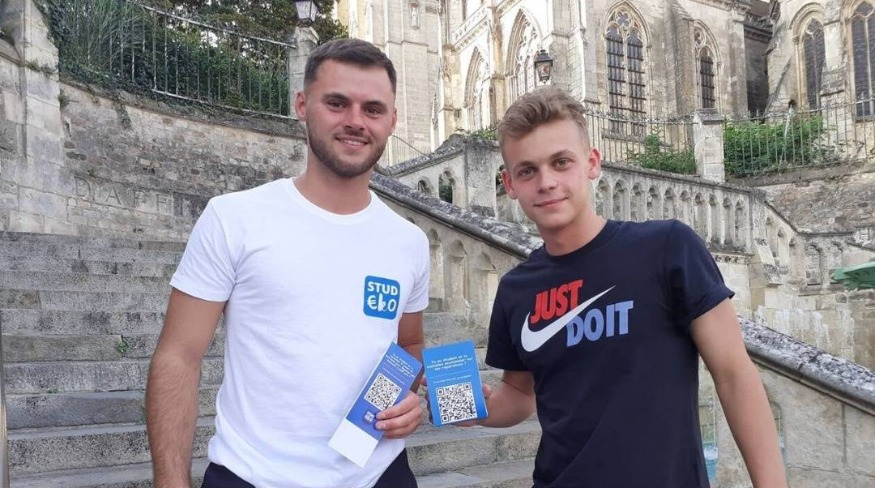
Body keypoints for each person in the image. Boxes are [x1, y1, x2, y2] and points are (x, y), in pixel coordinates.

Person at [145, 38, 429, 488]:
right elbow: (178, 358)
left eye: (373, 109)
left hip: (380, 475)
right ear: (301, 105)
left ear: (392, 120)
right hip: (253, 477)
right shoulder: (234, 218)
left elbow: (408, 346)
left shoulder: (409, 241)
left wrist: (401, 403)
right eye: (337, 103)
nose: (356, 121)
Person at [471, 87, 787, 488]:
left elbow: (734, 375)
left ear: (592, 163)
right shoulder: (516, 289)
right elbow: (519, 394)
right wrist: (468, 404)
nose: (546, 182)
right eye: (527, 170)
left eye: (561, 162)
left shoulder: (667, 248)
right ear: (510, 183)